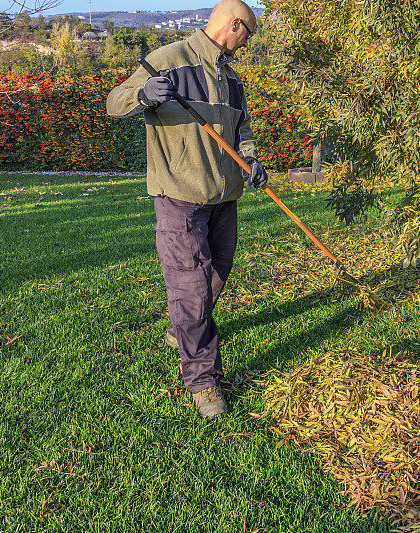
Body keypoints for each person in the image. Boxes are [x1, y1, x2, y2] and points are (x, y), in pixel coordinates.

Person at [106, 0, 267, 419]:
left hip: (225, 196)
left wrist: (250, 159)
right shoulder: (168, 60)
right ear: (235, 24)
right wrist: (143, 94)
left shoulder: (231, 78)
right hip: (180, 196)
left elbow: (241, 127)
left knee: (218, 272)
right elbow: (115, 101)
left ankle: (182, 329)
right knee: (192, 289)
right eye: (247, 34)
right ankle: (203, 381)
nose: (245, 44)